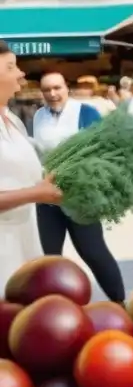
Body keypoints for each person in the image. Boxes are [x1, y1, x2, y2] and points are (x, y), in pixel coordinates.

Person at [31, 71, 127, 303]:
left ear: (67, 88)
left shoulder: (86, 112)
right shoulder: (38, 116)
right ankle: (54, 307)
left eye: (57, 88)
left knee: (93, 251)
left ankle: (120, 301)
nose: (52, 94)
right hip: (47, 198)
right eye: (47, 90)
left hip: (80, 195)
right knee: (49, 257)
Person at [0, 42, 64, 289]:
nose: (21, 74)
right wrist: (37, 193)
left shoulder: (13, 120)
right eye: (10, 67)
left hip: (24, 239)